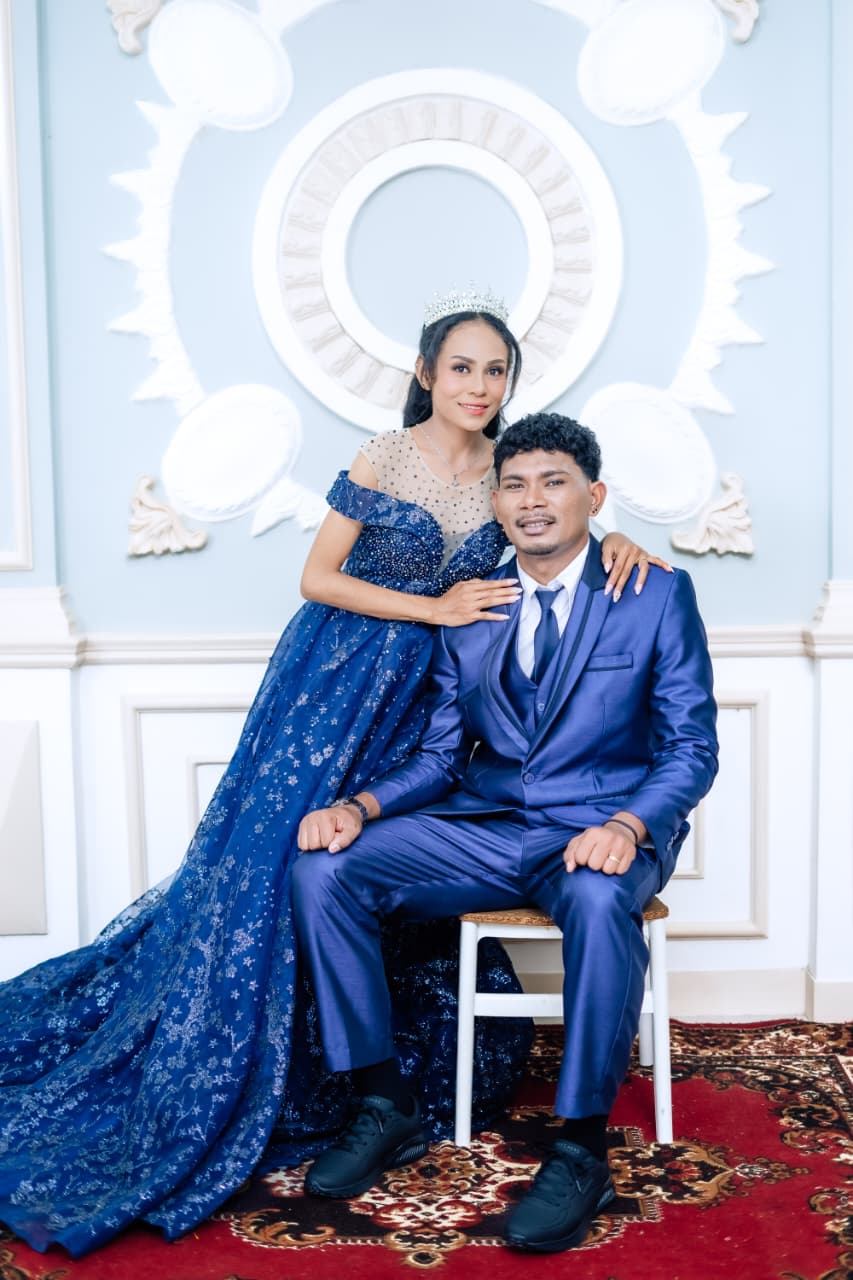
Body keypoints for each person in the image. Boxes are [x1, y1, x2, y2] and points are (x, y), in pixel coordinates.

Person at [0, 293, 663, 1257]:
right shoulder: (385, 455)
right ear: (426, 373)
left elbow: (559, 527)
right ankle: (262, 1070)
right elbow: (316, 578)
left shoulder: (508, 469)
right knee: (275, 870)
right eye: (461, 367)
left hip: (426, 702)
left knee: (381, 869)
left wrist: (623, 542)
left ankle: (380, 1091)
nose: (478, 386)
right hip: (337, 680)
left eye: (495, 371)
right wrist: (434, 609)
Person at [294, 412, 719, 1254]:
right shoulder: (474, 603)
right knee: (323, 870)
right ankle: (383, 1101)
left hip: (600, 829)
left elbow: (690, 747)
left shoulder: (655, 593)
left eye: (553, 482)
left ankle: (581, 1149)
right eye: (514, 485)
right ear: (495, 503)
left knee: (596, 900)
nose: (532, 501)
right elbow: (439, 755)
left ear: (593, 495)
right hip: (486, 827)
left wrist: (628, 825)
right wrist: (361, 808)